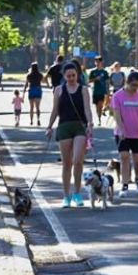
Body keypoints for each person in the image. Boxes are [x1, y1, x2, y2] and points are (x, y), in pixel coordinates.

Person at [45, 62, 93, 208]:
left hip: (80, 127)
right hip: (64, 127)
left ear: (78, 75)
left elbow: (87, 109)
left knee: (78, 160)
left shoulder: (84, 90)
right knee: (67, 163)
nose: (71, 78)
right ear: (64, 76)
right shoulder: (59, 90)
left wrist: (90, 123)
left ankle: (77, 194)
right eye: (69, 76)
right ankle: (66, 196)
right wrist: (49, 127)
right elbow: (55, 110)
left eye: (74, 75)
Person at [111, 69, 138, 193]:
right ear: (127, 83)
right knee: (124, 157)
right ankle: (125, 184)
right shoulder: (118, 96)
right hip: (122, 133)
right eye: (133, 85)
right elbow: (117, 115)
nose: (135, 88)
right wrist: (122, 130)